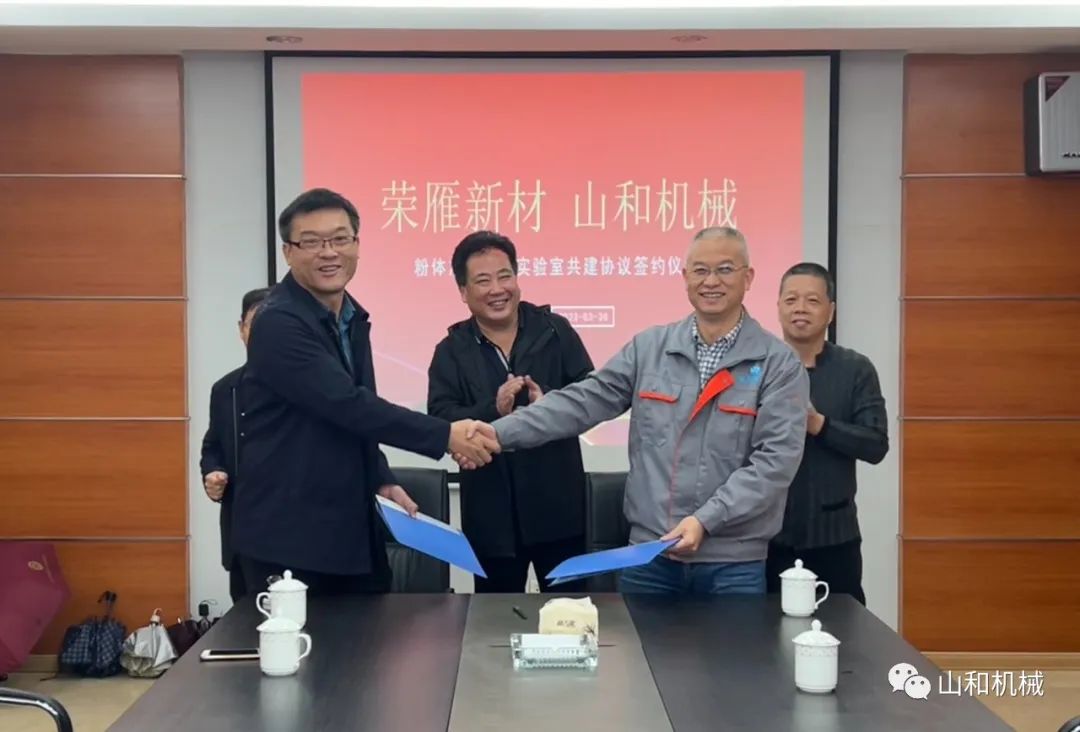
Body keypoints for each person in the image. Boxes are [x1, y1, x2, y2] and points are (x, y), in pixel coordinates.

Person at [483, 226, 809, 595]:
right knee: (638, 639)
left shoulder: (778, 364)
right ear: (685, 277)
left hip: (732, 565)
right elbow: (583, 401)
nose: (711, 281)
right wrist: (496, 432)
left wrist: (706, 520)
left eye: (724, 270)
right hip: (649, 557)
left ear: (748, 277)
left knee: (731, 639)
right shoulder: (650, 349)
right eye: (700, 270)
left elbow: (774, 463)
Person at [231, 187, 498, 596]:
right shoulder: (278, 323)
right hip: (291, 538)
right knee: (307, 641)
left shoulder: (350, 315)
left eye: (340, 239)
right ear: (288, 252)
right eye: (312, 242)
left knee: (370, 636)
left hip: (347, 528)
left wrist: (381, 478)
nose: (329, 252)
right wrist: (446, 434)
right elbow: (346, 404)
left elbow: (354, 419)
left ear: (356, 244)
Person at [428, 231, 594, 593]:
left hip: (559, 509)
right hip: (491, 519)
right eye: (482, 281)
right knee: (494, 620)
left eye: (504, 276)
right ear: (463, 291)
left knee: (570, 613)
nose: (497, 289)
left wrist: (549, 404)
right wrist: (494, 409)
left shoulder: (555, 331)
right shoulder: (451, 350)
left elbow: (591, 395)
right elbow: (440, 419)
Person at [765, 262, 888, 605]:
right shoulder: (758, 367)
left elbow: (876, 444)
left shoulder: (855, 369)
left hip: (834, 538)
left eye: (812, 300)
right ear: (778, 307)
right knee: (766, 633)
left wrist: (819, 424)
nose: (800, 308)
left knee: (844, 630)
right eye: (791, 300)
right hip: (767, 540)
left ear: (830, 311)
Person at [200, 287, 270, 602]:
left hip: (294, 541)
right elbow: (213, 445)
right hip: (241, 536)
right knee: (244, 624)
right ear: (241, 329)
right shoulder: (225, 389)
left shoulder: (311, 388)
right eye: (255, 325)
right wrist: (213, 471)